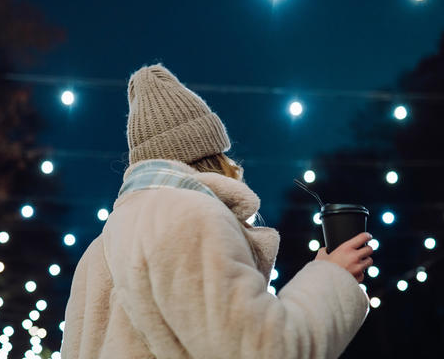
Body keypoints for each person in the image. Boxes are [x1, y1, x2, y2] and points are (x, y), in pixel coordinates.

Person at [61, 63, 374, 359]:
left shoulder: (97, 250)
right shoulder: (189, 218)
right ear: (210, 153)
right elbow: (265, 349)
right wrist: (334, 278)